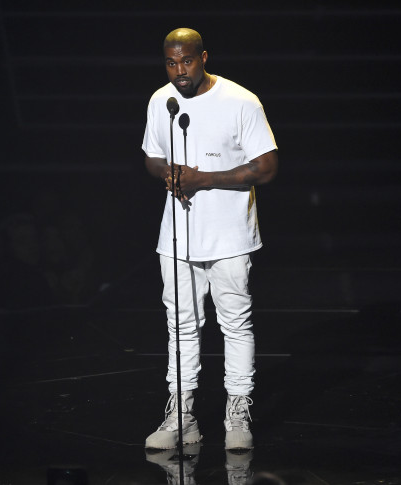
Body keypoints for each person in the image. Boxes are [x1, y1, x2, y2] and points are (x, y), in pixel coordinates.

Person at [142, 28, 278, 450]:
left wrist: (205, 179)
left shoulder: (240, 101)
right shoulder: (160, 100)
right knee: (180, 325)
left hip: (230, 236)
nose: (179, 71)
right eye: (170, 62)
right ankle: (181, 415)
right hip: (178, 235)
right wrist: (168, 173)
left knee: (235, 323)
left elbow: (267, 167)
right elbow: (151, 155)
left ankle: (237, 413)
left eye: (186, 61)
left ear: (204, 57)